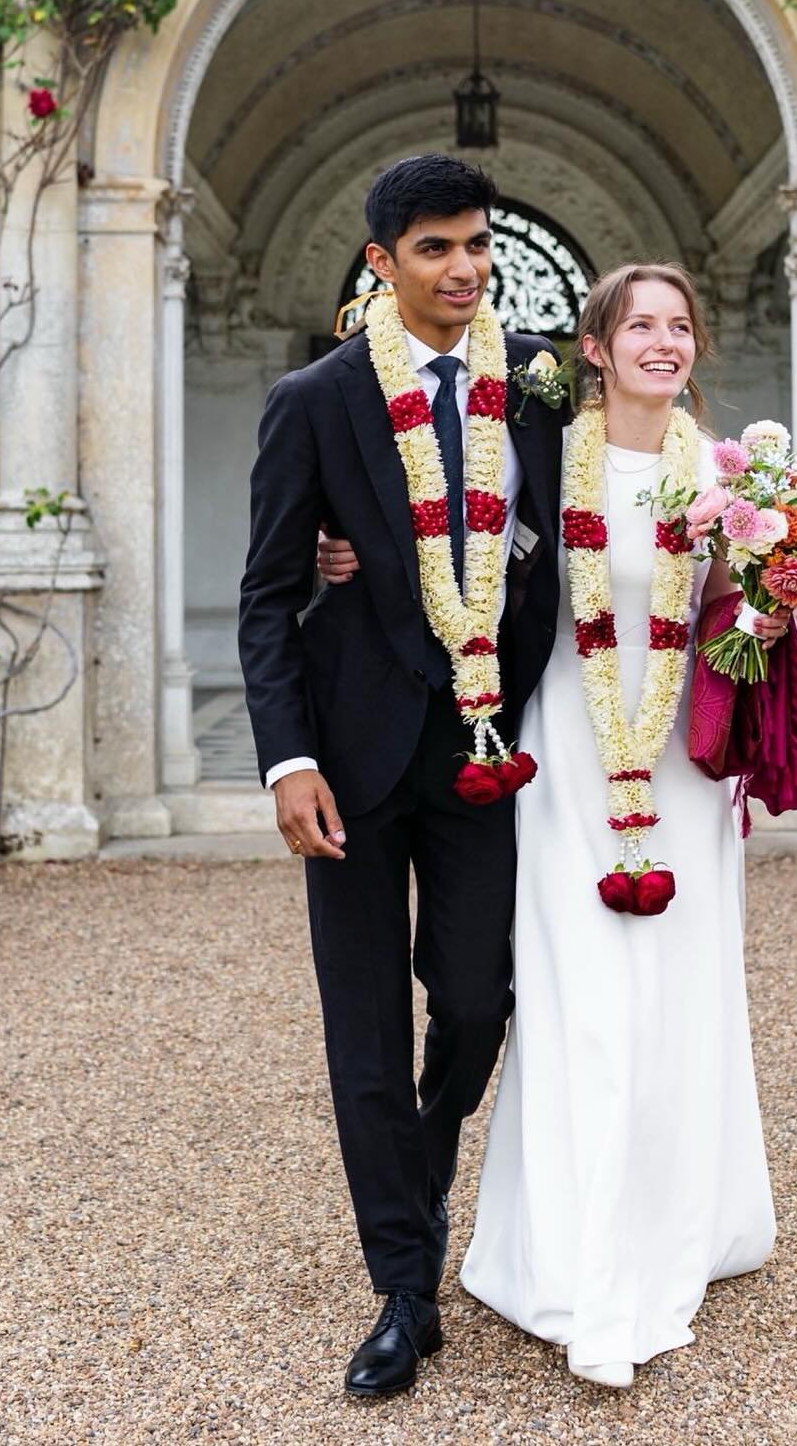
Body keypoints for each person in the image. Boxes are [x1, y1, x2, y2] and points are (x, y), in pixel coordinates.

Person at [318, 263, 785, 1391]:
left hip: (674, 757)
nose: (663, 343)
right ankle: (569, 1251)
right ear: (594, 346)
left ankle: (680, 1219)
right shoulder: (538, 450)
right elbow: (437, 504)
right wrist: (343, 549)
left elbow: (750, 608)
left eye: (681, 325)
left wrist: (778, 606)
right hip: (569, 755)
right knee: (575, 990)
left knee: (676, 988)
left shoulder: (734, 480)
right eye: (641, 325)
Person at [238, 154, 564, 1398]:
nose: (464, 267)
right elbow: (268, 595)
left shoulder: (536, 386)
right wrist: (288, 761)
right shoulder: (315, 399)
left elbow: (600, 498)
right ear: (382, 261)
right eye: (434, 247)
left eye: (476, 243)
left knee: (478, 1000)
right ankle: (401, 1289)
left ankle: (416, 1181)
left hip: (487, 746)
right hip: (353, 755)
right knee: (364, 1025)